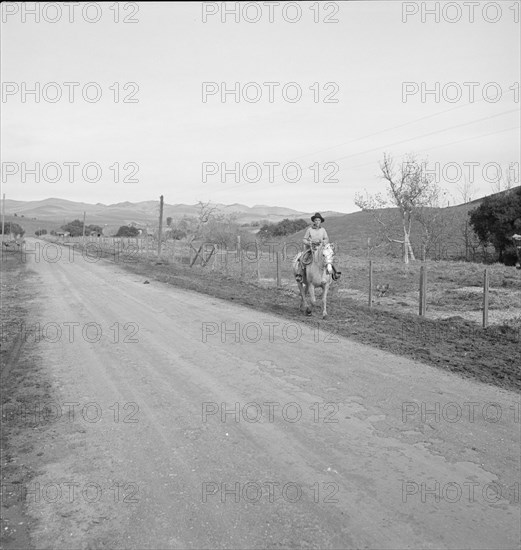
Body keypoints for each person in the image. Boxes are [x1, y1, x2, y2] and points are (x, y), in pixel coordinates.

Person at [295, 213, 340, 282]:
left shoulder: (323, 230)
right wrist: (309, 242)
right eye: (316, 220)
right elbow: (304, 239)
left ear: (320, 221)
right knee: (303, 258)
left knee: (329, 257)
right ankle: (299, 275)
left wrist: (323, 242)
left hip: (321, 248)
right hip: (311, 248)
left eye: (319, 220)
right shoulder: (309, 230)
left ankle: (335, 272)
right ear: (314, 221)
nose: (317, 221)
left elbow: (326, 239)